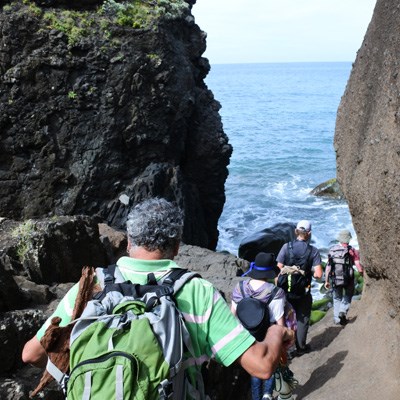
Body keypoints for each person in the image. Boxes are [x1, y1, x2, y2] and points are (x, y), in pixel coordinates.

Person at [22, 197, 294, 399]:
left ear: (129, 241)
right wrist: (275, 331)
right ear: (177, 245)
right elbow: (261, 365)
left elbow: (31, 353)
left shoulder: (91, 285)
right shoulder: (195, 292)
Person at [231, 252, 286, 400]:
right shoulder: (276, 292)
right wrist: (283, 344)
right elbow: (280, 323)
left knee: (255, 371)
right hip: (267, 334)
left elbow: (233, 315)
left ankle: (256, 397)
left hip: (245, 334)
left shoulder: (240, 287)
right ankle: (267, 394)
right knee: (270, 363)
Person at [276, 220, 323, 357]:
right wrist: (310, 273)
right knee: (302, 319)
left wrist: (289, 270)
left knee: (286, 318)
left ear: (296, 231)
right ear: (309, 234)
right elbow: (319, 274)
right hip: (303, 292)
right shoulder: (313, 251)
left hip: (286, 290)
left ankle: (287, 349)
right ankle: (301, 347)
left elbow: (278, 266)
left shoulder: (286, 247)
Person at [324, 229, 364, 325]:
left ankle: (337, 319)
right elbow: (358, 265)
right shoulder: (352, 250)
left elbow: (328, 267)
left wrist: (326, 280)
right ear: (348, 239)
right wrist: (362, 273)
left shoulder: (332, 250)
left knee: (337, 297)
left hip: (335, 279)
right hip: (348, 278)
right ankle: (343, 310)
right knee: (348, 294)